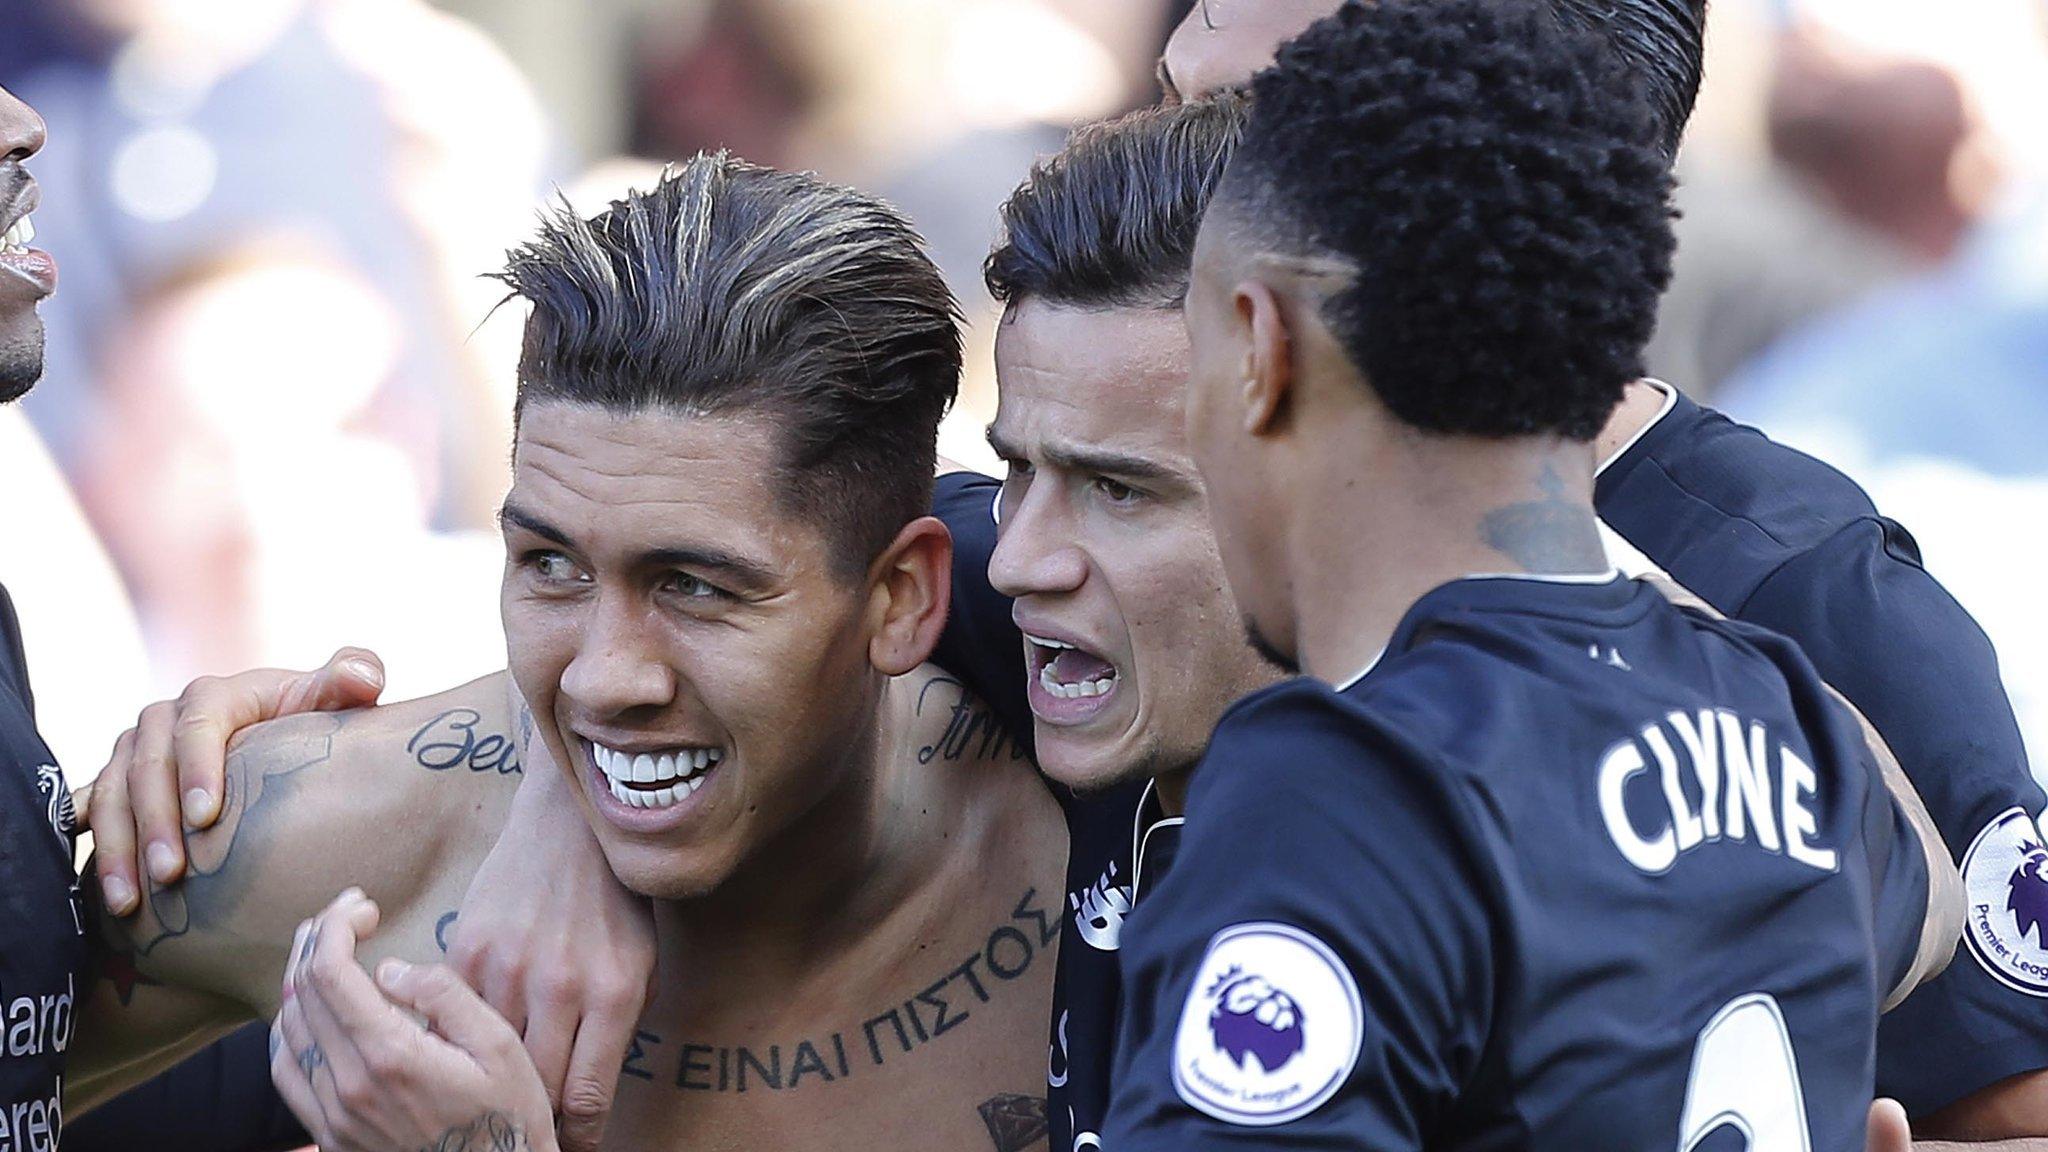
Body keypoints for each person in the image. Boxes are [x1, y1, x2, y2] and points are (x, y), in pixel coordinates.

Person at [1159, 1, 2048, 1137]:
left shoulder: (1791, 589)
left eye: (1244, 130)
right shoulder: (1072, 531)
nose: (1171, 168)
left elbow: (2015, 1102)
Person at [71, 154, 1068, 1152]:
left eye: (694, 586)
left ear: (899, 598)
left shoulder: (1107, 843)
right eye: (551, 564)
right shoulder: (311, 832)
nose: (602, 675)